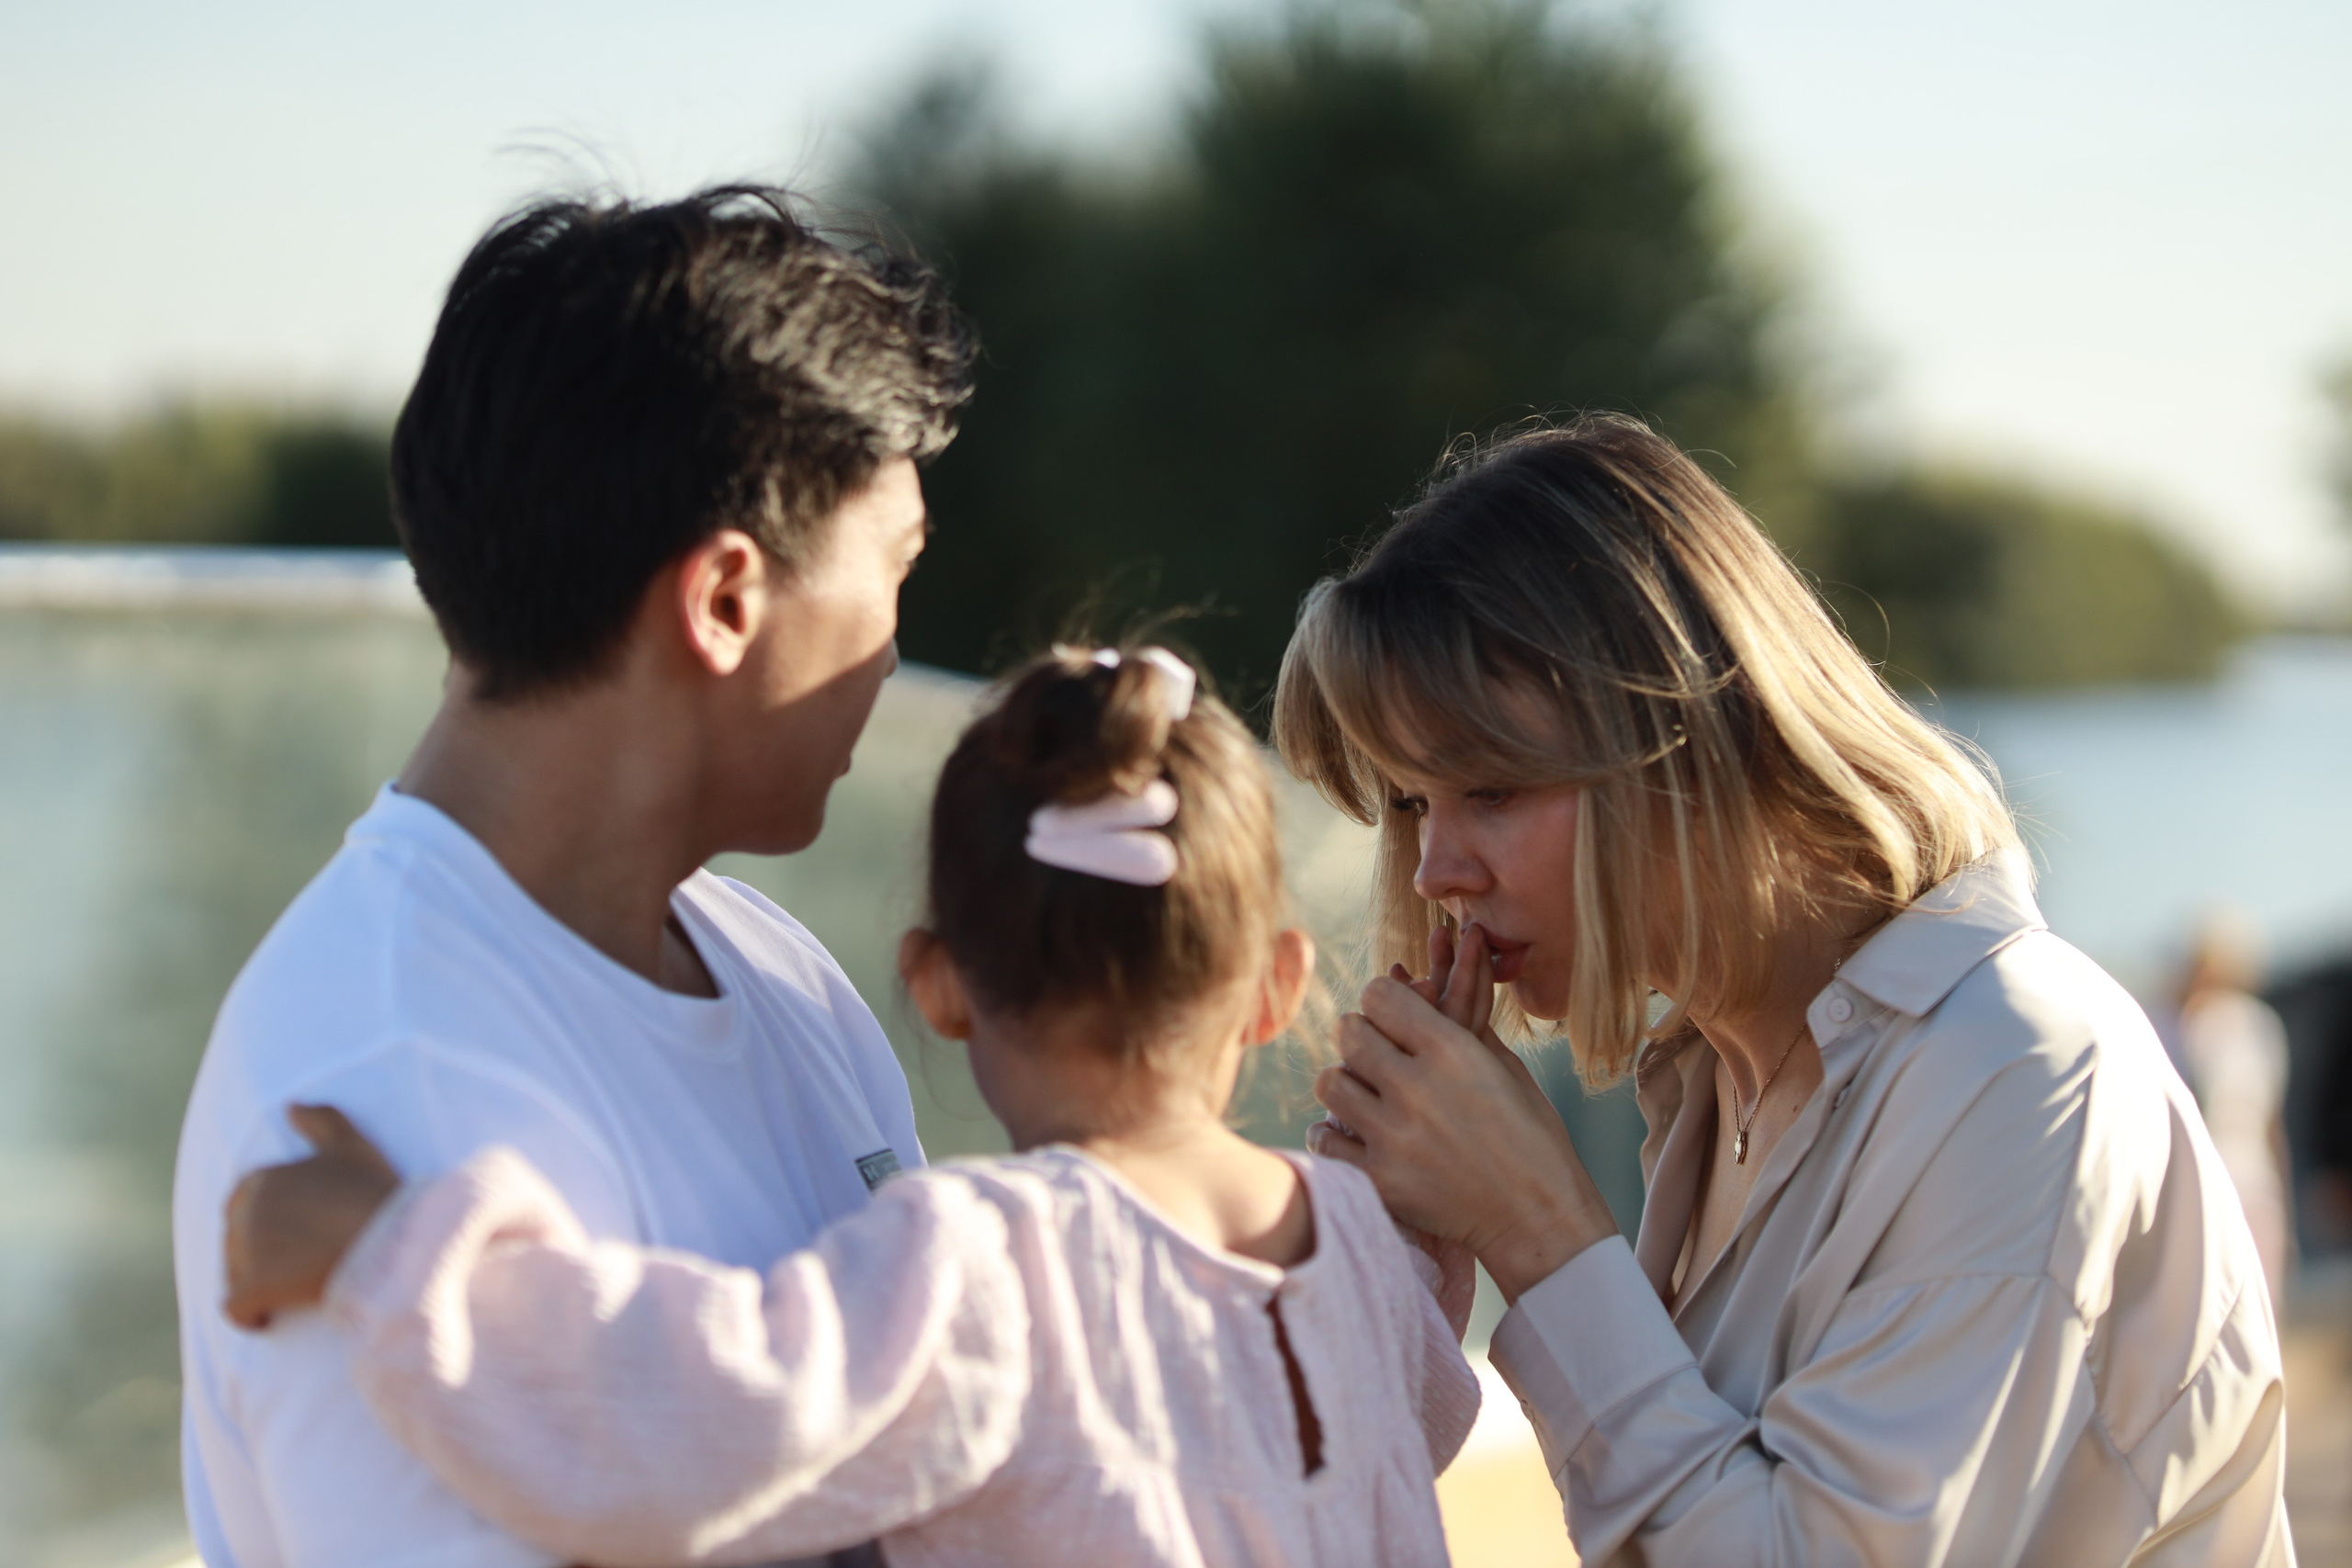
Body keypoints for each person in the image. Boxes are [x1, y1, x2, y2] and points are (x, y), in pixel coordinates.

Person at [1279, 416, 2293, 1564]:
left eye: (1493, 790)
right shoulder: (1725, 1080)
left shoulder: (2015, 1070)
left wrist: (1539, 1230)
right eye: (1410, 802)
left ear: (1681, 743)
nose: (1434, 870)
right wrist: (1380, 1241)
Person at [217, 647, 1481, 1567]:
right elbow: (1421, 1401)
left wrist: (392, 1246)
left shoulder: (987, 1263)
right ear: (1274, 986)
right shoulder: (1359, 1249)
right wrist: (1420, 1171)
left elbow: (678, 1423)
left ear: (937, 984)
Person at [172, 186, 973, 1568]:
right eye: (893, 569)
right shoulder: (376, 1080)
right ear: (727, 599)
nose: (894, 651)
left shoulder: (775, 970)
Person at [2170, 912, 2296, 1304]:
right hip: (2225, 1184)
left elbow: (2269, 1122)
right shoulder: (2205, 1024)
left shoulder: (2226, 1023)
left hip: (2237, 1183)